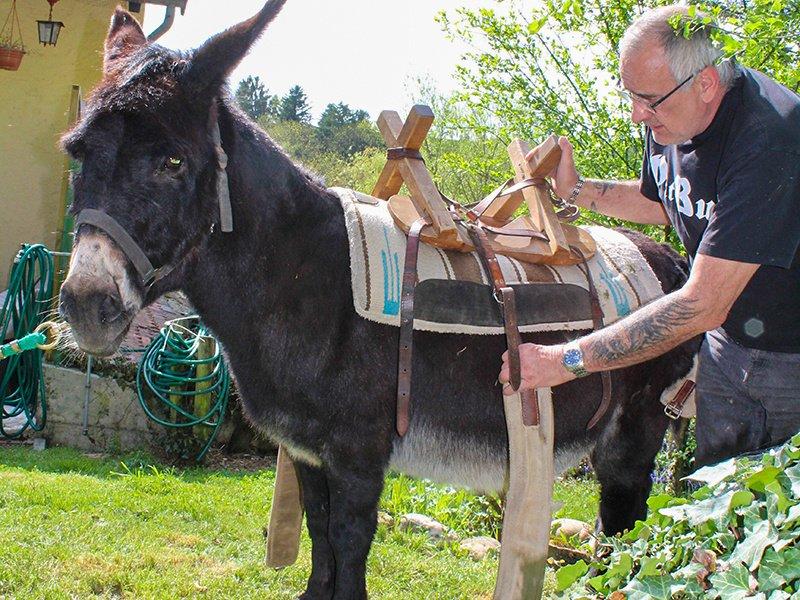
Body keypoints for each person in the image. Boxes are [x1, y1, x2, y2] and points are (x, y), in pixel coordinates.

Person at [498, 4, 800, 467]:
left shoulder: (771, 141)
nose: (638, 114)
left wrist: (566, 361)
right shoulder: (671, 113)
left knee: (762, 517)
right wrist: (578, 190)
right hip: (726, 338)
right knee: (715, 496)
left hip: (784, 359)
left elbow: (703, 302)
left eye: (649, 100)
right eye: (631, 96)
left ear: (705, 84)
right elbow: (664, 202)